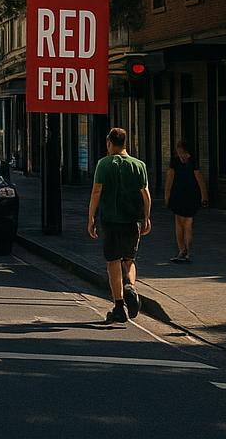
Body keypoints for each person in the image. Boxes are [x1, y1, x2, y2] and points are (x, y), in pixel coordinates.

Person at [87, 127, 150, 325]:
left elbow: (97, 192)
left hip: (111, 221)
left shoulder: (104, 164)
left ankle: (118, 306)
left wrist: (91, 218)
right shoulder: (139, 165)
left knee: (113, 262)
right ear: (125, 143)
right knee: (129, 259)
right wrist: (146, 217)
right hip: (132, 220)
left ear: (109, 143)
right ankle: (130, 286)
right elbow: (145, 193)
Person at [165, 140, 208, 263]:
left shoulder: (185, 162)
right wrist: (204, 196)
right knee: (182, 222)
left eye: (181, 151)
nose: (180, 154)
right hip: (184, 194)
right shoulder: (184, 161)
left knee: (184, 223)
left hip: (185, 194)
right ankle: (184, 251)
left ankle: (184, 250)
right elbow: (170, 178)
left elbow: (199, 179)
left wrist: (204, 196)